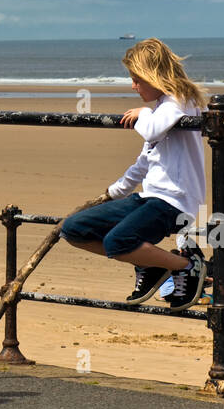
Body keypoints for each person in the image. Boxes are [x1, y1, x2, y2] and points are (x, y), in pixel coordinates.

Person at [60, 38, 208, 310]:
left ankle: (187, 265)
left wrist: (142, 113)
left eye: (136, 79)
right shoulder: (162, 109)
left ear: (153, 75)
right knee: (72, 229)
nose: (133, 86)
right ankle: (148, 263)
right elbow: (144, 160)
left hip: (175, 201)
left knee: (117, 242)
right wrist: (114, 191)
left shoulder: (181, 100)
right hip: (149, 197)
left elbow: (151, 130)